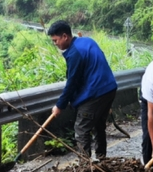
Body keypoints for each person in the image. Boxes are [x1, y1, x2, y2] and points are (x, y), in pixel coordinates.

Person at [47, 20, 118, 160]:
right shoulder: (86, 41)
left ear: (65, 36)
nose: (55, 44)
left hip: (96, 92)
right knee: (98, 126)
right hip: (109, 88)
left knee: (81, 129)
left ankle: (85, 167)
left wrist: (60, 105)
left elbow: (72, 82)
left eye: (55, 40)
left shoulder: (74, 54)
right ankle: (101, 159)